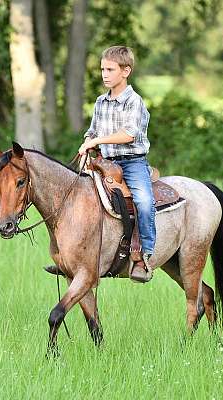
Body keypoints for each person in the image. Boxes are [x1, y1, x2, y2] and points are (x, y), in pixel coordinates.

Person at [78, 45, 156, 283]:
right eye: (102, 69)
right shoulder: (101, 102)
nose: (104, 74)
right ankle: (75, 255)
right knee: (76, 196)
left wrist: (99, 139)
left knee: (144, 200)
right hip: (105, 163)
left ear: (126, 71)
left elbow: (129, 134)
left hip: (132, 163)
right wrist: (88, 144)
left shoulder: (134, 101)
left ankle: (145, 254)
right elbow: (92, 131)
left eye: (110, 69)